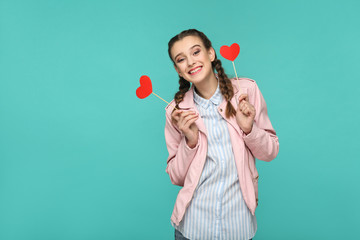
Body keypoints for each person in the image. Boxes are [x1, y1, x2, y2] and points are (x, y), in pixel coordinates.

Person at [164, 29, 279, 240]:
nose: (190, 62)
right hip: (192, 228)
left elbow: (271, 152)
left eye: (196, 52)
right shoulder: (176, 111)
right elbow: (176, 176)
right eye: (181, 59)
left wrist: (249, 129)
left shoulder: (246, 92)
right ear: (178, 69)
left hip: (238, 227)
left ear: (211, 54)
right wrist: (190, 141)